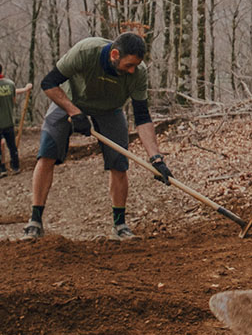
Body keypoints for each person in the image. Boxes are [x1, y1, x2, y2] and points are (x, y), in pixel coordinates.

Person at [23, 32, 172, 241]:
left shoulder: (138, 72)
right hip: (69, 100)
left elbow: (142, 116)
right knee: (46, 154)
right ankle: (34, 221)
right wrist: (74, 112)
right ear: (114, 54)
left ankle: (120, 225)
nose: (131, 70)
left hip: (110, 109)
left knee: (119, 164)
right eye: (128, 65)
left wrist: (156, 158)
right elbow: (49, 83)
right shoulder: (85, 51)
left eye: (135, 66)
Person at [0, 62, 33, 178]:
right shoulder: (10, 84)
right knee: (12, 145)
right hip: (8, 120)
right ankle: (15, 167)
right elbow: (13, 99)